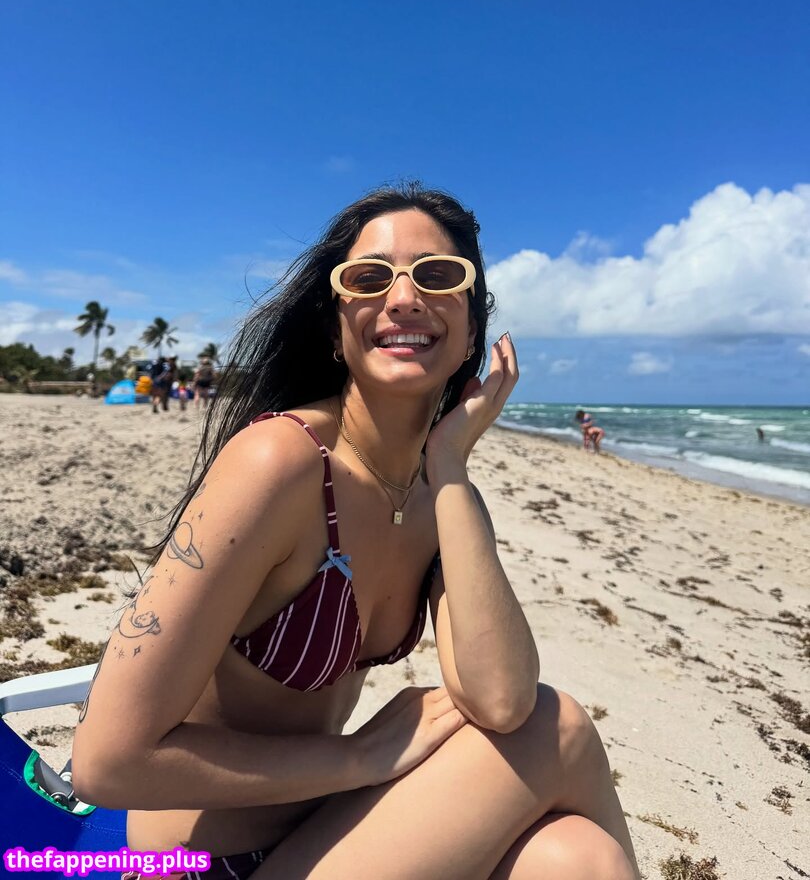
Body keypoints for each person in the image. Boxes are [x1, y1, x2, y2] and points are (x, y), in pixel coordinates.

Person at [72, 184, 640, 880]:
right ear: (334, 327)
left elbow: (500, 699)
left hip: (324, 826)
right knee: (562, 729)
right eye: (369, 279)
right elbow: (107, 763)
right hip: (200, 862)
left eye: (438, 275)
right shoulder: (280, 463)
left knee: (578, 857)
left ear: (471, 328)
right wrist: (362, 756)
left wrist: (451, 467)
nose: (404, 298)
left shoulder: (441, 494)